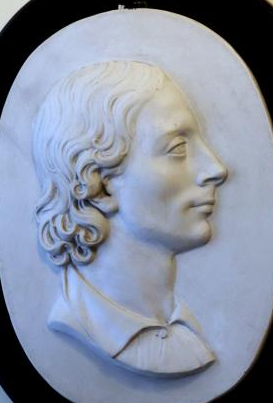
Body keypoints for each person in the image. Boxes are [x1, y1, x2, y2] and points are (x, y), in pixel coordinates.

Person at [32, 60, 228, 377]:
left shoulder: (187, 333)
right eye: (178, 147)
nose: (216, 169)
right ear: (100, 184)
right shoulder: (78, 325)